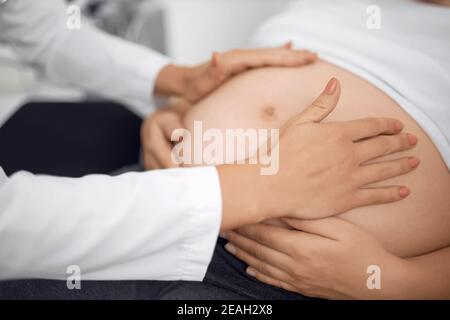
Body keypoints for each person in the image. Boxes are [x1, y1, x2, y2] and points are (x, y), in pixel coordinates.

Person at [0, 0, 418, 286]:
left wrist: (175, 91)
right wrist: (256, 186)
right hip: (156, 200)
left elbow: (39, 29)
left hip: (289, 274)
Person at [141, 0, 450, 298]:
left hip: (289, 277)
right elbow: (226, 75)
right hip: (162, 201)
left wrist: (391, 281)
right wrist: (172, 112)